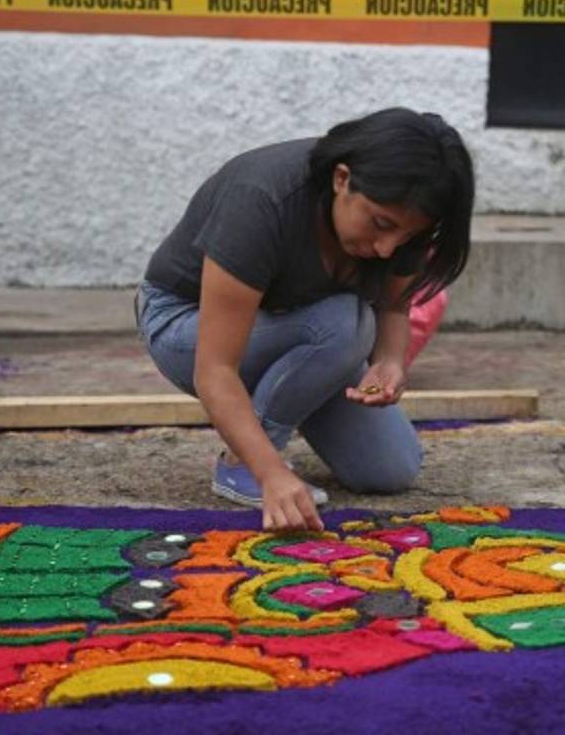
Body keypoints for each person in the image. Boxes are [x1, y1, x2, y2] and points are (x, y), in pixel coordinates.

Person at [136, 107, 474, 532]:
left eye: (405, 237)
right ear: (342, 179)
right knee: (346, 325)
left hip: (307, 335)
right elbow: (215, 370)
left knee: (390, 470)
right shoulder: (261, 199)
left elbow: (393, 306)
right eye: (380, 224)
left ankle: (282, 409)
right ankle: (241, 465)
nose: (387, 249)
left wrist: (390, 361)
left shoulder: (407, 214)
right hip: (182, 323)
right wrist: (269, 472)